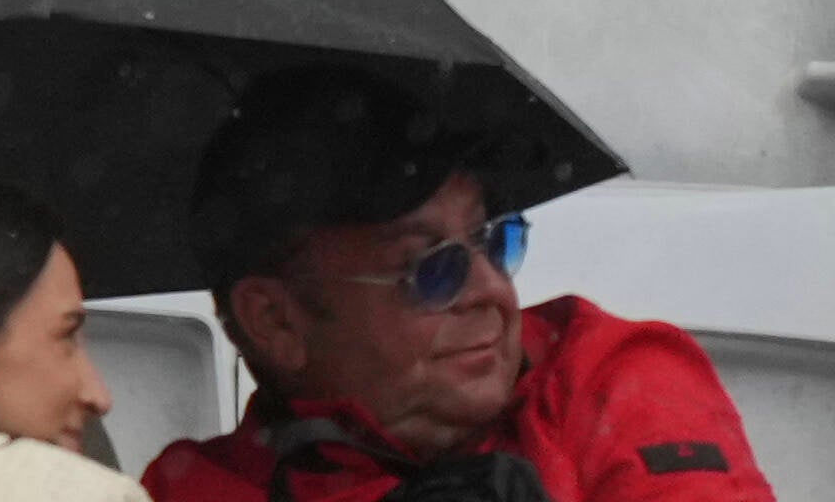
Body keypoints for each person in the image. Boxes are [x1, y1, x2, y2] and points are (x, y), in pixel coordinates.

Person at [149, 65, 776, 502]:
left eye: (493, 242)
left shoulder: (605, 378)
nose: (488, 293)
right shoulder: (199, 491)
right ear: (276, 321)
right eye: (431, 269)